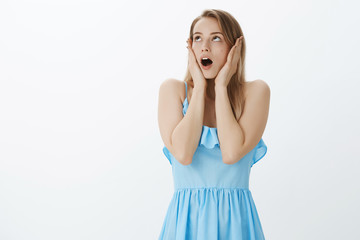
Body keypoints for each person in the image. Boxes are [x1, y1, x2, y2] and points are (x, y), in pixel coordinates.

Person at [157, 9, 270, 240]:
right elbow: (183, 154)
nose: (204, 47)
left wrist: (220, 88)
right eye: (197, 38)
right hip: (185, 225)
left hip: (236, 225)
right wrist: (198, 88)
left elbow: (231, 153)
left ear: (235, 48)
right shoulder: (173, 91)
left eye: (216, 38)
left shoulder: (256, 92)